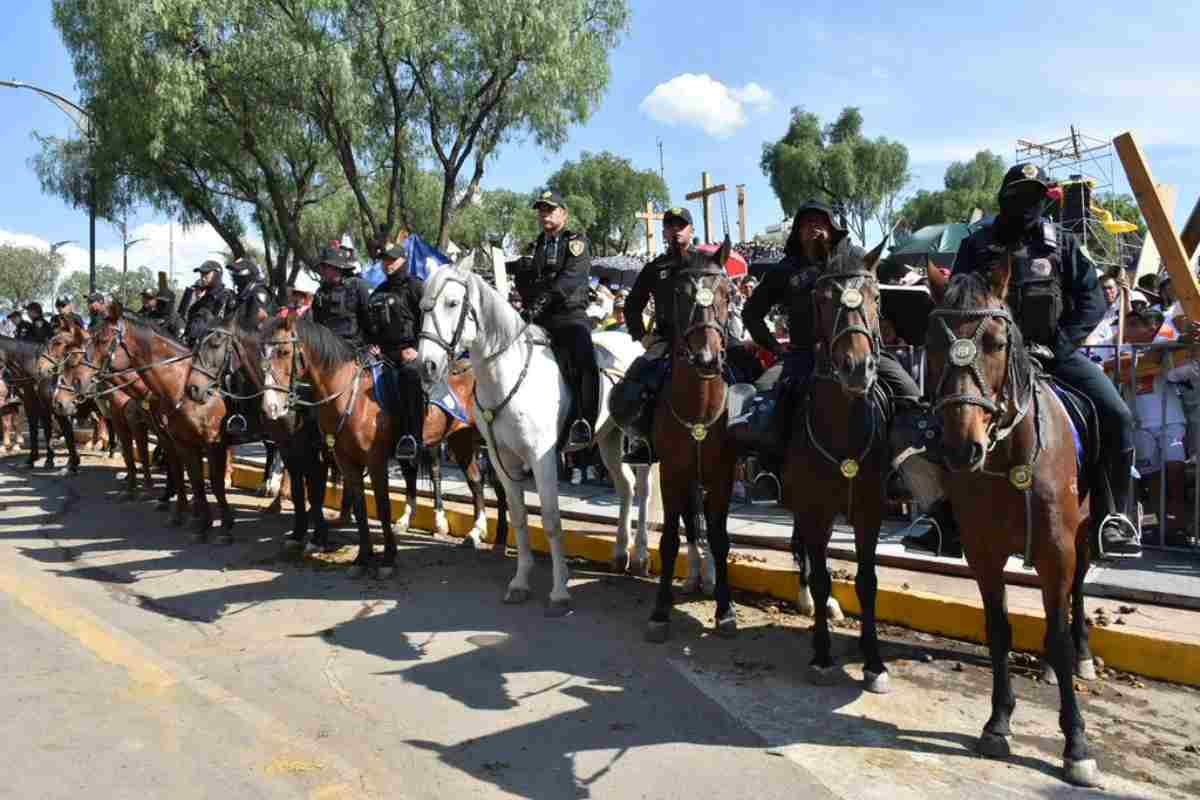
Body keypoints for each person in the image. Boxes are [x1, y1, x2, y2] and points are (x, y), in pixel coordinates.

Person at [941, 163, 1140, 556]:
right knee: (940, 414)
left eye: (1035, 195)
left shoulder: (1063, 244)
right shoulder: (976, 246)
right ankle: (942, 516)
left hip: (1053, 355)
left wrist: (1061, 344)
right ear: (1004, 199)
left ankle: (1113, 516)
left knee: (1117, 415)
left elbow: (1092, 298)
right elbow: (954, 301)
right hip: (990, 363)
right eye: (1019, 195)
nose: (1027, 203)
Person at [736, 199, 928, 508]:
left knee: (910, 395)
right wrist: (773, 347)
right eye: (806, 223)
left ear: (832, 227)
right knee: (762, 396)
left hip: (863, 350)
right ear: (797, 232)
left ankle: (904, 473)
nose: (813, 229)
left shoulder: (855, 256)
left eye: (820, 222)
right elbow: (752, 312)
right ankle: (769, 474)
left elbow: (880, 294)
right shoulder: (785, 270)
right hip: (803, 355)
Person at [610, 206, 698, 464]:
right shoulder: (655, 267)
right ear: (664, 231)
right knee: (632, 385)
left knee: (743, 372)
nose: (675, 230)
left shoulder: (705, 262)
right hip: (666, 342)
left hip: (702, 339)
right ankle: (644, 440)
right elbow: (632, 305)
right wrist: (643, 337)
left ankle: (747, 451)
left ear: (691, 230)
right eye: (670, 226)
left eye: (681, 225)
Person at [511, 190, 597, 449]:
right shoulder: (535, 246)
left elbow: (569, 280)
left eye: (550, 209)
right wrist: (522, 281)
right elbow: (531, 284)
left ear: (563, 213)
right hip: (539, 318)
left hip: (569, 315)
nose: (544, 214)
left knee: (584, 358)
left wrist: (540, 301)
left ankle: (584, 421)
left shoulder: (576, 243)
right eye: (541, 210)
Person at [365, 242, 425, 462]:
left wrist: (417, 349)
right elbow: (370, 326)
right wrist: (371, 343)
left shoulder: (416, 287)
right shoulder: (379, 290)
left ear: (403, 260)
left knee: (410, 375)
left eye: (392, 260)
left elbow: (428, 323)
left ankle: (413, 437)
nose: (387, 264)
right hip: (383, 355)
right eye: (384, 260)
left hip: (411, 354)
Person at [312, 245, 372, 351]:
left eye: (329, 267)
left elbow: (369, 319)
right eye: (324, 267)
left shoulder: (357, 286)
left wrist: (370, 344)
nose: (325, 271)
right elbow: (317, 325)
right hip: (329, 351)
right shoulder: (320, 293)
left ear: (339, 268)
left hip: (356, 348)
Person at [180, 260, 233, 344]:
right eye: (201, 274)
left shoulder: (226, 296)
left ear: (216, 274)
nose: (202, 277)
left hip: (213, 348)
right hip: (192, 347)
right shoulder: (202, 299)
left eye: (206, 273)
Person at [225, 256, 277, 326]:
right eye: (233, 272)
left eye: (238, 272)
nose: (234, 274)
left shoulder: (258, 292)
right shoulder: (244, 293)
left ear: (249, 273)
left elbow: (252, 325)